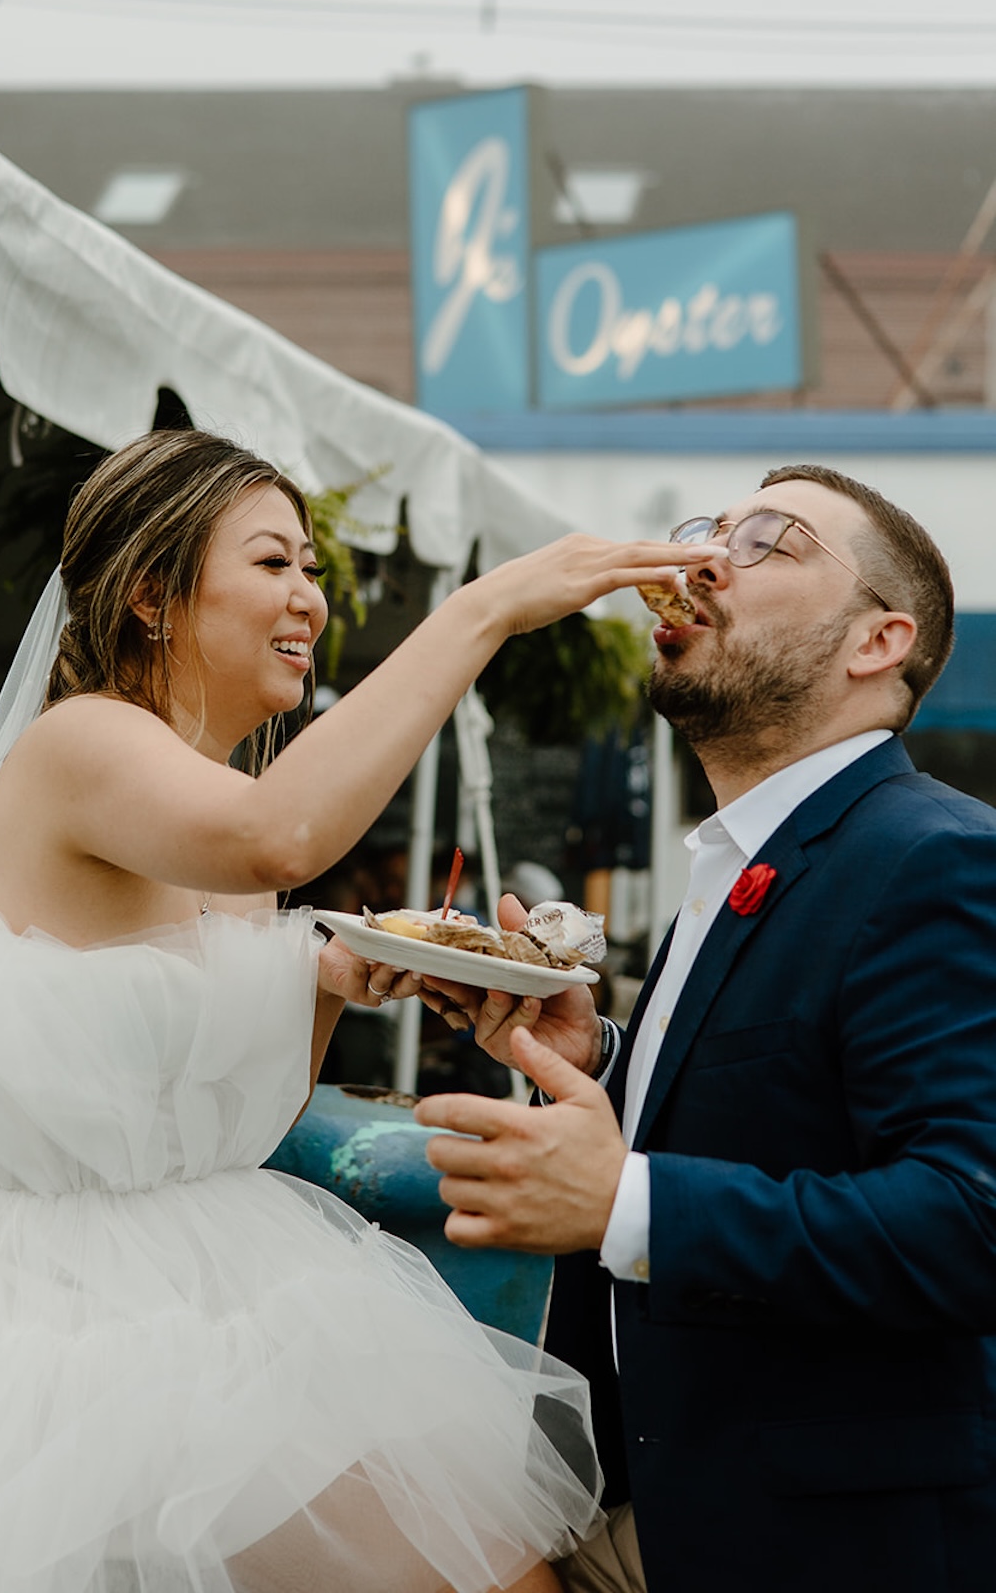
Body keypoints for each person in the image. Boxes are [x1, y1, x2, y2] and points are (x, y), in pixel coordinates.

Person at [0, 428, 703, 1593]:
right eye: (274, 565)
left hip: (209, 1274)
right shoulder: (85, 743)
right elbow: (281, 834)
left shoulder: (225, 796)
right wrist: (479, 612)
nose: (310, 602)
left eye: (312, 573)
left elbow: (236, 1109)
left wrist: (328, 989)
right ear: (150, 593)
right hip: (18, 1320)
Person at [417, 465, 996, 1593]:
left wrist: (625, 1206)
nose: (697, 564)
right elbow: (780, 1105)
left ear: (876, 641)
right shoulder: (748, 852)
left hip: (823, 1546)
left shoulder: (933, 858)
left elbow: (970, 1221)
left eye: (766, 542)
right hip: (666, 1503)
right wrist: (597, 1058)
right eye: (703, 532)